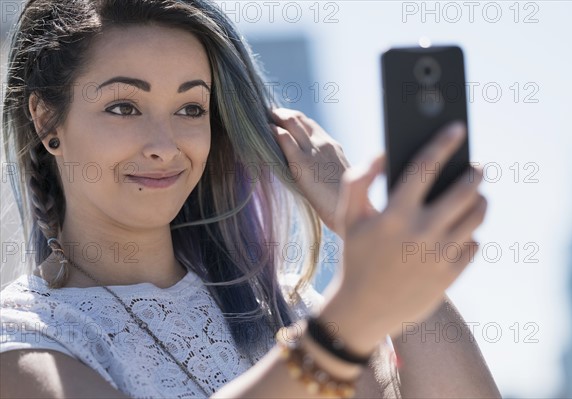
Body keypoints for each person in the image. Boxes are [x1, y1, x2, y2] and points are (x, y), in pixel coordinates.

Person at [0, 1, 501, 398]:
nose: (165, 144)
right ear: (46, 120)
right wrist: (346, 326)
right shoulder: (26, 339)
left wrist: (372, 236)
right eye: (124, 106)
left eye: (191, 108)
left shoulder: (287, 309)